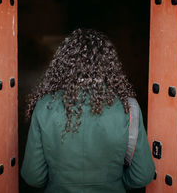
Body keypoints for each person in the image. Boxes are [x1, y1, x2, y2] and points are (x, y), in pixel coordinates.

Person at [21, 28, 155, 192]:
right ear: (109, 65)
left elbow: (33, 177)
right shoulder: (129, 107)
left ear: (63, 64)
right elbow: (143, 175)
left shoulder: (44, 106)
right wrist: (115, 183)